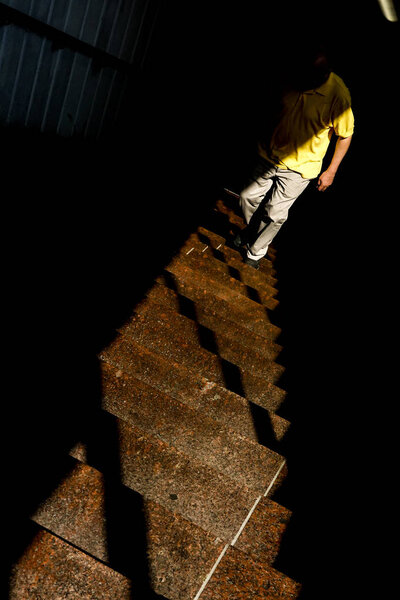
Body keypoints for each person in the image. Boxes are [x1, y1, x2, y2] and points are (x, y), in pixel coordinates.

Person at [234, 45, 355, 269]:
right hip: (269, 154)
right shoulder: (291, 75)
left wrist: (331, 171)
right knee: (246, 197)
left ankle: (256, 251)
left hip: (301, 167)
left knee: (275, 213)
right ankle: (252, 232)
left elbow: (345, 136)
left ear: (327, 71)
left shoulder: (338, 96)